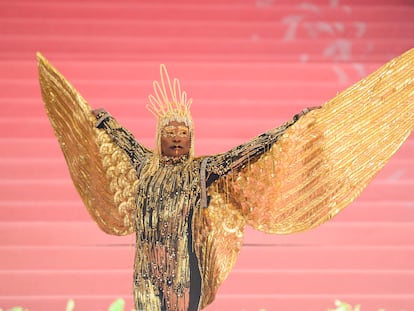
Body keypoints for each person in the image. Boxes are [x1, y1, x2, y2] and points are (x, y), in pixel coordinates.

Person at [37, 49, 414, 311]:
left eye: (184, 131)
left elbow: (250, 151)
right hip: (146, 264)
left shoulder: (203, 170)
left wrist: (291, 126)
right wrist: (102, 120)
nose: (177, 136)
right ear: (160, 135)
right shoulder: (143, 164)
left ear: (192, 137)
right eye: (170, 130)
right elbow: (119, 140)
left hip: (185, 266)